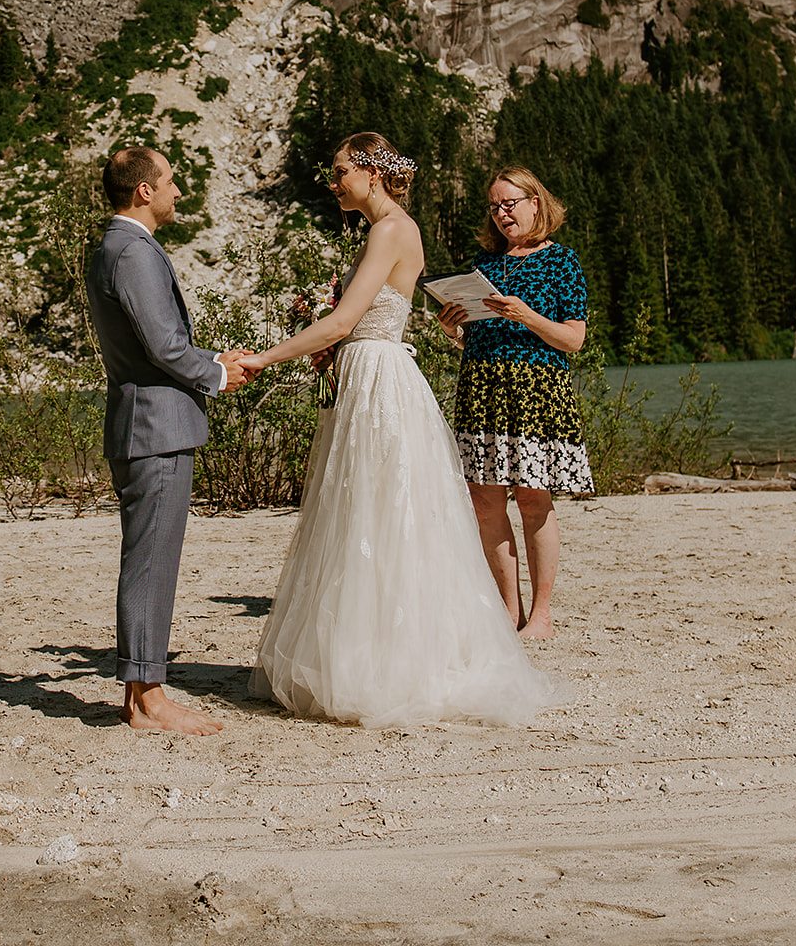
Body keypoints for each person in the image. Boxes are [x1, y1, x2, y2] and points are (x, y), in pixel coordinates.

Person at [239, 132, 572, 728]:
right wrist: (332, 347)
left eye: (339, 170)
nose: (333, 181)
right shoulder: (384, 230)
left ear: (370, 172)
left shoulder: (392, 229)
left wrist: (264, 358)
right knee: (365, 512)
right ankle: (367, 648)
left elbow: (344, 320)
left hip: (381, 381)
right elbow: (353, 322)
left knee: (382, 511)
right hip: (367, 371)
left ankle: (390, 658)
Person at [86, 145, 254, 735]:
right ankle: (148, 699)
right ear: (144, 192)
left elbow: (149, 344)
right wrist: (216, 373)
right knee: (151, 560)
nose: (179, 192)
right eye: (172, 182)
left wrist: (211, 357)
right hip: (154, 427)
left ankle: (142, 692)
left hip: (143, 422)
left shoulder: (114, 246)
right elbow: (160, 344)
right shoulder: (132, 251)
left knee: (149, 556)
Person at [437, 166, 591, 641]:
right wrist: (453, 329)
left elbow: (573, 340)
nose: (502, 213)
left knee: (533, 500)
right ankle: (509, 611)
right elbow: (476, 336)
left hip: (536, 390)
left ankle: (541, 615)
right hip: (482, 386)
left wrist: (527, 316)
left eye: (510, 203)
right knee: (485, 504)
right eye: (494, 206)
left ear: (535, 203)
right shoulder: (483, 264)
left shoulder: (563, 262)